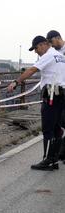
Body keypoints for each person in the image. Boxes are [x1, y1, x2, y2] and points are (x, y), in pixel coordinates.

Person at [8, 35, 65, 171]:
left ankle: (48, 160)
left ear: (43, 44)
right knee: (57, 128)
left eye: (36, 48)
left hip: (52, 95)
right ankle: (54, 159)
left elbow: (32, 70)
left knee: (48, 128)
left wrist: (16, 82)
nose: (36, 52)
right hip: (61, 95)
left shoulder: (48, 55)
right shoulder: (61, 56)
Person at [46, 30, 65, 161]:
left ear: (58, 38)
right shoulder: (56, 53)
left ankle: (61, 153)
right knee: (61, 121)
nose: (52, 46)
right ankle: (61, 152)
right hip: (60, 91)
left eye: (52, 42)